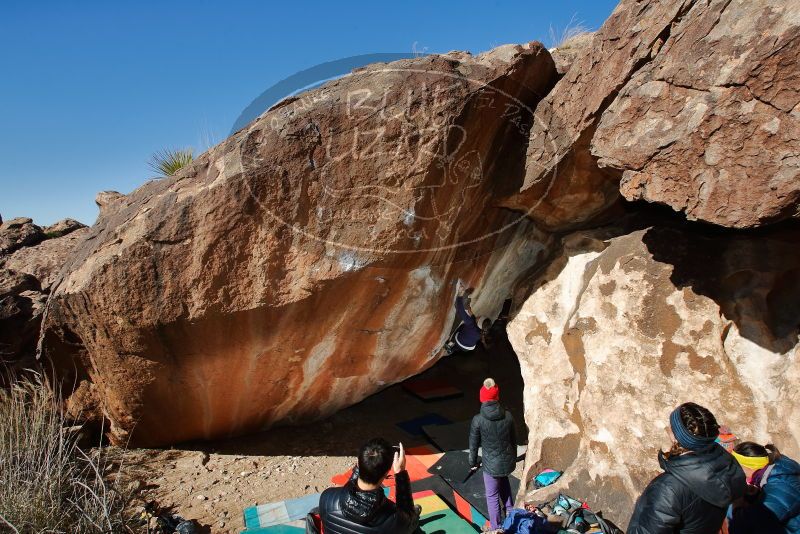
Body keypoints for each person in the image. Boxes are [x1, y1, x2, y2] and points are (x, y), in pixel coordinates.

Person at [628, 402, 746, 534]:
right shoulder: (727, 464)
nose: (667, 429)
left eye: (671, 427)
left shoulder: (667, 488)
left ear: (676, 438)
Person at [319, 438, 419, 534]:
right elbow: (410, 522)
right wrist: (400, 474)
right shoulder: (393, 519)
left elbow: (347, 494)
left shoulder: (327, 498)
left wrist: (359, 468)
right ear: (387, 473)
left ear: (358, 462)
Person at [469, 378, 518, 530]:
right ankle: (512, 517)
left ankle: (496, 527)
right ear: (497, 397)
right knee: (505, 485)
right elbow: (514, 439)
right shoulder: (508, 416)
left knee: (492, 496)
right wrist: (513, 458)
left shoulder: (478, 420)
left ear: (482, 398)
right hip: (506, 461)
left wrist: (473, 462)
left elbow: (473, 444)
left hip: (490, 464)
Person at [729, 441, 800, 534]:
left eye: (736, 468)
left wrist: (736, 508)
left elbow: (751, 526)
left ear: (750, 467)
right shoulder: (770, 471)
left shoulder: (782, 486)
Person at [443, 284, 484, 355]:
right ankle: (452, 350)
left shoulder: (470, 323)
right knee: (461, 343)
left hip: (460, 341)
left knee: (461, 327)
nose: (479, 316)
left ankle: (449, 344)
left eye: (479, 317)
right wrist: (470, 311)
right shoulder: (482, 330)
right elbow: (474, 319)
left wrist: (459, 295)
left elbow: (461, 310)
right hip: (468, 348)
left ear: (478, 321)